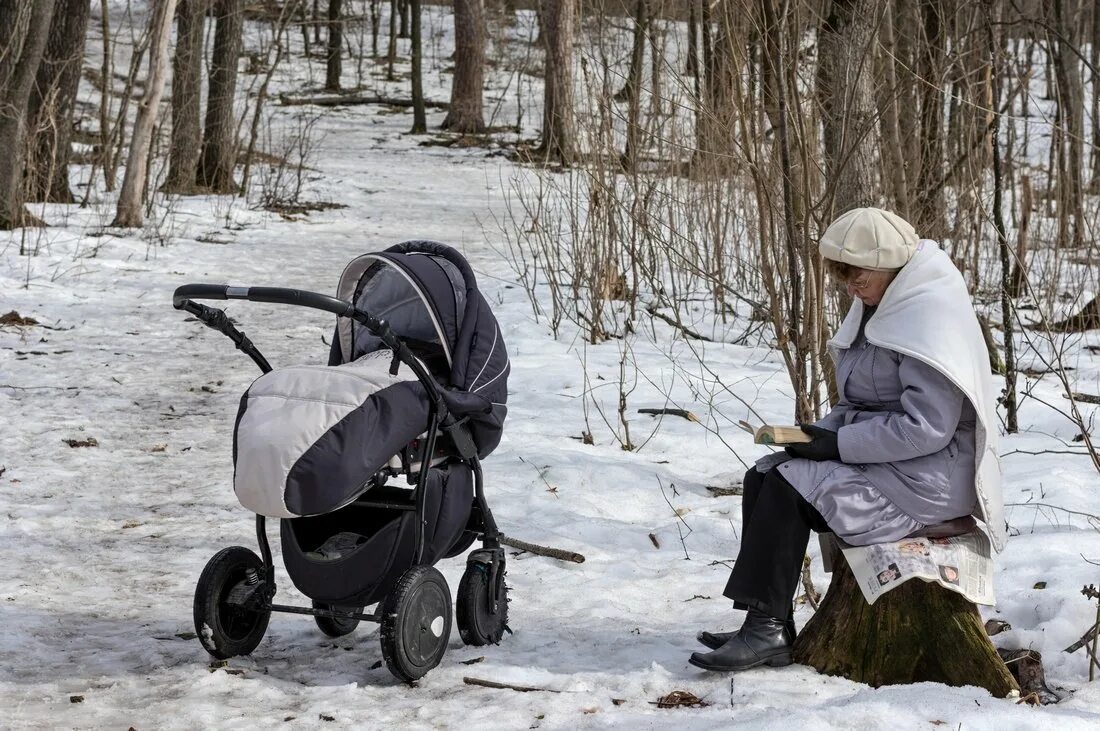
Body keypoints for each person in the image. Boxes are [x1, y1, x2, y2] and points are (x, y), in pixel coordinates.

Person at [690, 207, 1005, 672]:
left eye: (858, 279)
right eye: (845, 280)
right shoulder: (885, 303)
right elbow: (866, 402)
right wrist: (819, 435)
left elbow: (928, 428)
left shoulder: (927, 317)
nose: (851, 289)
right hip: (894, 463)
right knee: (765, 474)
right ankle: (765, 621)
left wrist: (836, 446)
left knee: (786, 487)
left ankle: (767, 634)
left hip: (929, 481)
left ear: (890, 267)